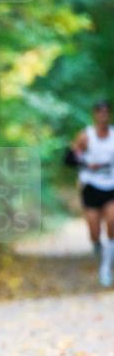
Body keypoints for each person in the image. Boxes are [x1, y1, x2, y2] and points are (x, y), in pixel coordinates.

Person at [71, 101, 114, 287]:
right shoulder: (85, 136)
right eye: (100, 112)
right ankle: (98, 246)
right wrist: (87, 164)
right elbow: (70, 157)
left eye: (106, 112)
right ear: (94, 114)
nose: (103, 115)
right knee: (94, 229)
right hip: (91, 185)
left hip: (111, 185)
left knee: (112, 221)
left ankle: (106, 268)